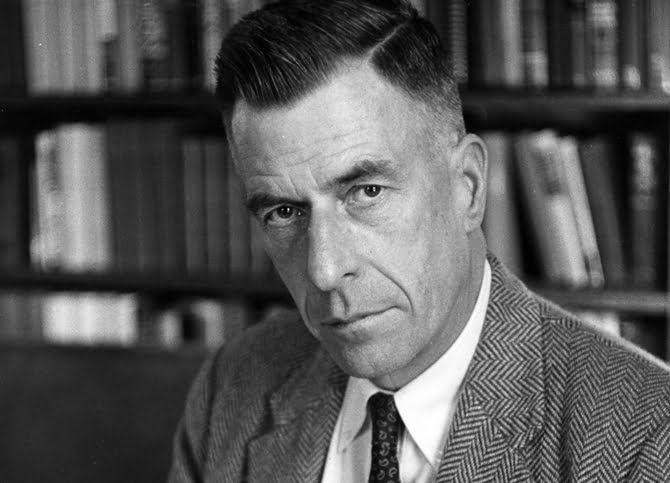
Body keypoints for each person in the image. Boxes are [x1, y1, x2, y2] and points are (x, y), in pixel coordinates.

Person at [169, 1, 670, 481]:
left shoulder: (646, 437)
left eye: (366, 192)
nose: (325, 270)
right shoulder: (230, 388)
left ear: (467, 187)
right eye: (284, 212)